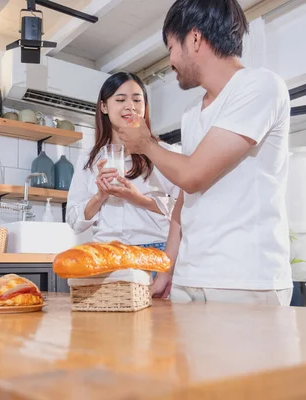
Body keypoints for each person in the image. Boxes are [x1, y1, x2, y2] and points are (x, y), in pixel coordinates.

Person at [117, 0, 293, 305]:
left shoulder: (260, 85)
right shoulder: (191, 113)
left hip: (244, 280)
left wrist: (145, 144)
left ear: (194, 39)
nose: (170, 60)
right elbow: (184, 199)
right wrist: (167, 269)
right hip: (189, 277)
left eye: (171, 47)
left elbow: (194, 174)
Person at [66, 72, 179, 253]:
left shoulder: (163, 152)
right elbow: (74, 221)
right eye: (120, 100)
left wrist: (138, 198)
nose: (130, 107)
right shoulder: (88, 159)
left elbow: (185, 208)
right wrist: (100, 196)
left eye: (137, 100)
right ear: (104, 106)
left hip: (153, 250)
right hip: (106, 252)